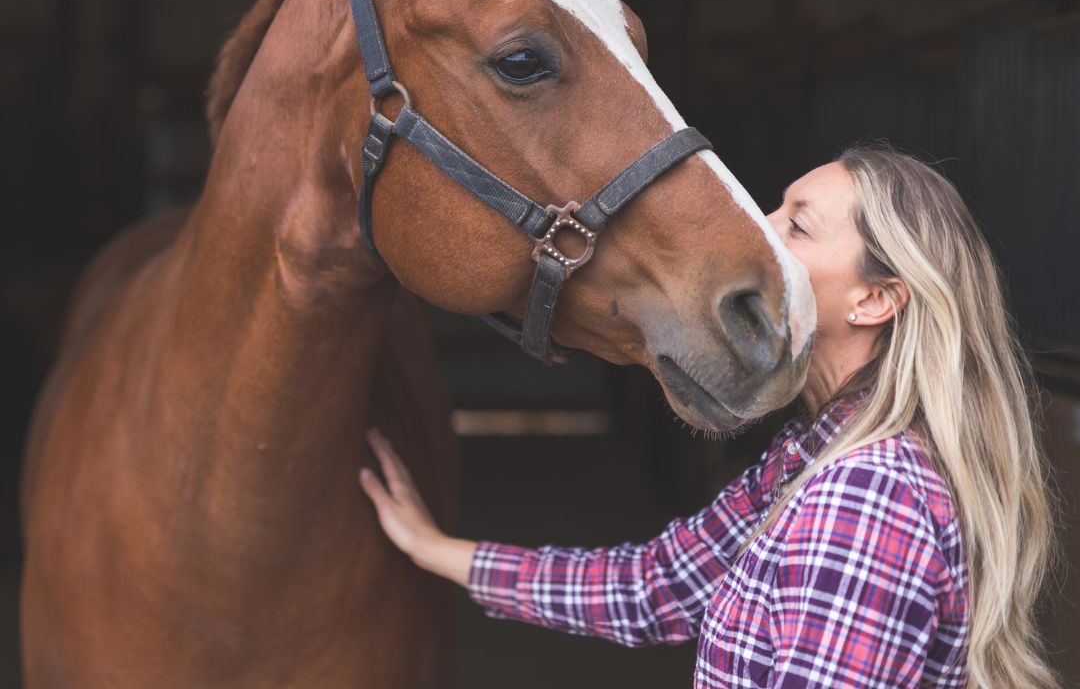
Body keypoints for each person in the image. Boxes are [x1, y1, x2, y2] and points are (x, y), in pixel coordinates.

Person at [360, 146, 1059, 688]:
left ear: (874, 301)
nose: (758, 225)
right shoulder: (816, 450)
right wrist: (437, 550)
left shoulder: (866, 495)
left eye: (797, 223)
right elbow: (655, 587)